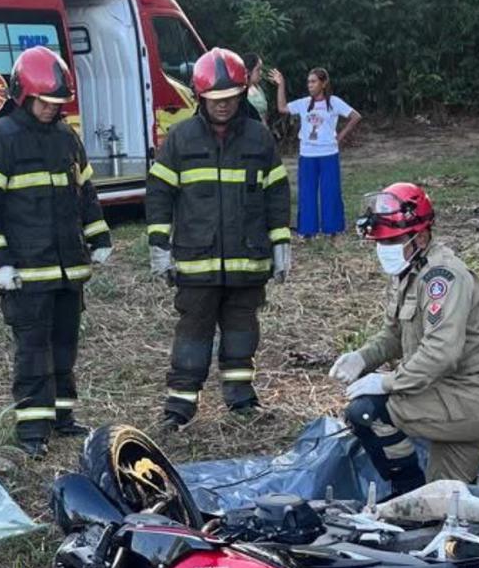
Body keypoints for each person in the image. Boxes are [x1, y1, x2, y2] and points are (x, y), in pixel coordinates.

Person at [0, 46, 112, 459]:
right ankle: (32, 430)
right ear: (22, 94)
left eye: (56, 102)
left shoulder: (66, 138)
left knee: (65, 346)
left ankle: (62, 418)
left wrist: (99, 236)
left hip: (67, 270)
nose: (50, 109)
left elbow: (85, 192)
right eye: (44, 101)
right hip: (26, 273)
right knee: (33, 353)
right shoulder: (0, 138)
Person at [330, 182, 479, 495]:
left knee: (367, 411)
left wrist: (387, 383)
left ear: (420, 237)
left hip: (477, 397)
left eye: (392, 241)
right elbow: (395, 333)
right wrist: (363, 357)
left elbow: (441, 352)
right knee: (442, 499)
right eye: (381, 242)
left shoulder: (442, 277)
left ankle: (404, 490)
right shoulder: (410, 271)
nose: (384, 249)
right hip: (454, 393)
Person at [146, 47, 291, 428]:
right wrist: (159, 243)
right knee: (193, 332)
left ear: (242, 93)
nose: (223, 105)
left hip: (248, 259)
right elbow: (159, 193)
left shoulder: (259, 139)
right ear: (200, 96)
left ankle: (241, 400)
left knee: (242, 329)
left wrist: (280, 242)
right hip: (196, 262)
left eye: (229, 97)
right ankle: (179, 407)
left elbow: (276, 194)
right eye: (214, 98)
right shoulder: (180, 139)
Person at [272, 66, 360, 239]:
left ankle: (332, 228)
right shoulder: (304, 103)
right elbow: (282, 108)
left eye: (313, 82)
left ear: (323, 83)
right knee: (307, 193)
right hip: (307, 154)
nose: (310, 85)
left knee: (330, 191)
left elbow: (355, 116)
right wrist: (281, 85)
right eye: (308, 82)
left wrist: (339, 136)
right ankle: (307, 229)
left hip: (329, 153)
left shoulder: (333, 102)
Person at [243, 53, 269, 124]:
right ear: (248, 71)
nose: (261, 73)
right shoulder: (240, 92)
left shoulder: (258, 89)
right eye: (258, 70)